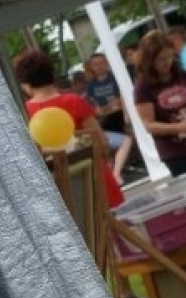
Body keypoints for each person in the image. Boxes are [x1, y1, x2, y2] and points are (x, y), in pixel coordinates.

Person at [14, 47, 127, 212]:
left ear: (25, 83)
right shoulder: (73, 101)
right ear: (51, 73)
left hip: (63, 191)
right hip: (95, 176)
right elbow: (101, 142)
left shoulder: (25, 113)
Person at [133, 29, 186, 177]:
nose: (167, 63)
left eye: (170, 57)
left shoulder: (181, 74)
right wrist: (178, 127)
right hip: (174, 151)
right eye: (161, 59)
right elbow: (149, 125)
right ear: (150, 60)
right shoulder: (143, 87)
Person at [81, 51, 135, 177]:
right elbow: (93, 106)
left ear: (107, 63)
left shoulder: (116, 78)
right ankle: (115, 169)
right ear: (91, 67)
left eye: (101, 63)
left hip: (121, 116)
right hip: (105, 121)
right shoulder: (91, 86)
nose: (99, 66)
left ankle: (116, 169)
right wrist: (107, 107)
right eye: (95, 64)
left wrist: (107, 107)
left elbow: (120, 100)